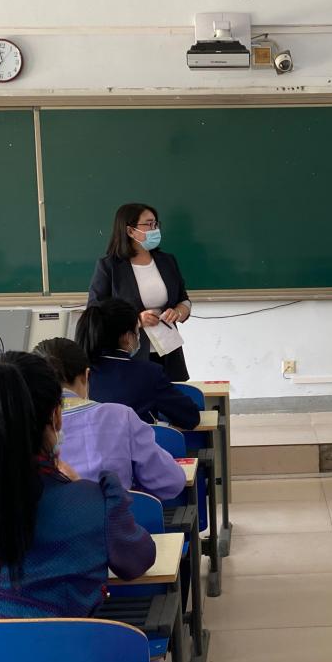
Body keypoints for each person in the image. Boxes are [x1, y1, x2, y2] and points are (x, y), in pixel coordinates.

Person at [0, 351, 155, 619]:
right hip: (76, 646)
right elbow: (137, 561)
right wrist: (80, 486)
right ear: (56, 415)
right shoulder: (98, 504)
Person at [34, 337, 186, 501]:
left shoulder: (23, 424)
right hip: (115, 514)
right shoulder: (120, 416)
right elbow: (171, 482)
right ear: (86, 376)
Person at [88, 203, 192, 382]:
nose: (155, 229)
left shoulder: (167, 261)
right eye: (149, 224)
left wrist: (179, 311)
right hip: (128, 352)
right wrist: (136, 320)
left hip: (168, 351)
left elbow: (183, 299)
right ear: (130, 231)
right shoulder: (110, 266)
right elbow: (95, 310)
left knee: (170, 395)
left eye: (156, 224)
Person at [75, 297, 201, 431]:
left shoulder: (76, 373)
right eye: (137, 329)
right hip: (133, 444)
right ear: (128, 337)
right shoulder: (148, 373)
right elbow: (190, 417)